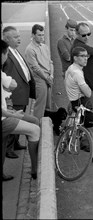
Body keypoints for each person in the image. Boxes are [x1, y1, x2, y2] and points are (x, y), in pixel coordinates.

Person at [2, 39, 40, 180]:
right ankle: (35, 170)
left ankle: (35, 167)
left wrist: (10, 110)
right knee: (34, 129)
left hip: (7, 112)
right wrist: (11, 114)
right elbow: (11, 85)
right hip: (5, 117)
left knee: (34, 121)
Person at [3, 26, 36, 159]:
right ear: (6, 39)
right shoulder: (6, 54)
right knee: (13, 124)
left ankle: (15, 143)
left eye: (19, 36)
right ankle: (8, 149)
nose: (19, 39)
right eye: (16, 37)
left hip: (22, 93)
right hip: (14, 96)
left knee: (19, 121)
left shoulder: (15, 51)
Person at [25, 24, 54, 120]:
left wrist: (52, 75)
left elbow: (50, 62)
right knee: (40, 106)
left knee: (48, 105)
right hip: (40, 79)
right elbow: (35, 68)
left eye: (43, 35)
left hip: (48, 77)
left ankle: (46, 125)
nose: (42, 37)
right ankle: (37, 126)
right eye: (39, 35)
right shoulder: (30, 49)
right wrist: (47, 78)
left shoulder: (45, 46)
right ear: (33, 35)